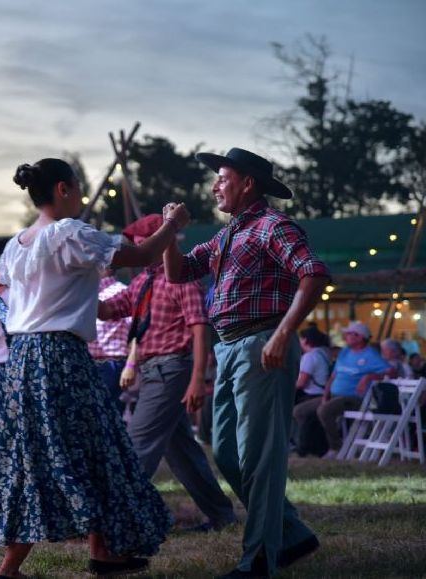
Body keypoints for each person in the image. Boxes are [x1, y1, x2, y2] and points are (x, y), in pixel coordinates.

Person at [0, 158, 183, 578]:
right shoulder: (69, 233)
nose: (83, 197)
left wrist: (15, 316)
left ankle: (98, 553)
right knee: (90, 449)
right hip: (60, 357)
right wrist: (172, 224)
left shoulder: (18, 243)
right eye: (79, 189)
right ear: (64, 189)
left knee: (53, 453)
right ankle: (16, 568)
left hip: (24, 358)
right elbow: (141, 255)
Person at [162, 148, 331, 578]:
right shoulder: (227, 235)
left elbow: (313, 273)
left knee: (259, 456)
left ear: (247, 183)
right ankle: (291, 534)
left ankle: (258, 561)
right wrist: (169, 231)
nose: (215, 185)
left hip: (262, 344)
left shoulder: (273, 226)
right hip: (229, 347)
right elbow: (180, 273)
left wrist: (282, 333)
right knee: (227, 453)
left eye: (222, 177)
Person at [98, 213, 237, 533]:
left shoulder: (181, 278)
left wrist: (197, 380)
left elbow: (200, 329)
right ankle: (221, 515)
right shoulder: (142, 281)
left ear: (160, 242)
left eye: (137, 244)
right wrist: (81, 283)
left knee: (138, 443)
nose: (132, 251)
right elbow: (106, 310)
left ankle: (118, 522)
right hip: (156, 370)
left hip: (171, 368)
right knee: (182, 452)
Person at [293, 322, 395, 460]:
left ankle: (335, 447)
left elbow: (392, 372)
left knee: (324, 411)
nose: (345, 336)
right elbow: (334, 375)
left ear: (360, 337)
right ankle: (313, 445)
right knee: (299, 411)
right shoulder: (345, 352)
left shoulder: (371, 355)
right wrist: (326, 393)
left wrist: (370, 376)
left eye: (349, 334)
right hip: (334, 394)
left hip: (354, 398)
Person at [88, 269, 131, 412]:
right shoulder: (88, 292)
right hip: (90, 364)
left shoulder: (121, 291)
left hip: (112, 363)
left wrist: (131, 366)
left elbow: (135, 333)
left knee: (106, 411)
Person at [291, 326, 332, 456]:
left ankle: (300, 446)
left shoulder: (310, 356)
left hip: (313, 395)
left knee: (297, 411)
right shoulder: (324, 352)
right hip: (322, 393)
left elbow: (301, 383)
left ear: (306, 340)